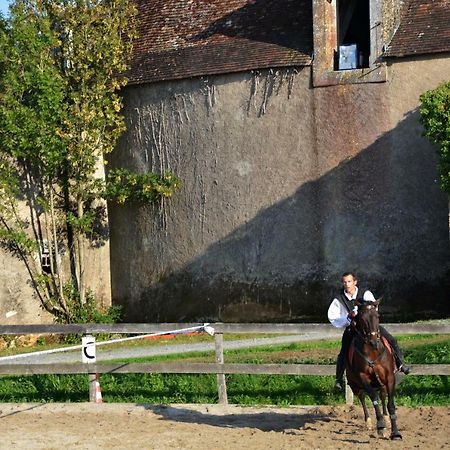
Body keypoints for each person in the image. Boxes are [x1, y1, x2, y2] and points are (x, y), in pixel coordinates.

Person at [328, 271, 411, 391]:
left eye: (349, 281)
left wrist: (359, 313)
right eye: (345, 282)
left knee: (391, 339)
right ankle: (339, 379)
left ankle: (401, 364)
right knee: (344, 351)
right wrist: (348, 318)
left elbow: (373, 307)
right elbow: (333, 316)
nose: (347, 284)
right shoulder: (339, 299)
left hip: (369, 327)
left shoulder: (365, 293)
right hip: (353, 328)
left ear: (355, 282)